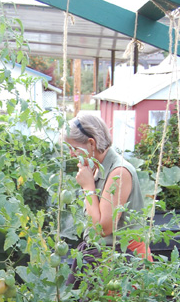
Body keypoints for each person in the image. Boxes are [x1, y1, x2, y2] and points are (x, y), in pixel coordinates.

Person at [65, 113, 152, 286]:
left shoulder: (119, 172)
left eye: (73, 148)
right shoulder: (98, 169)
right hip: (104, 257)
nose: (71, 154)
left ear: (91, 143)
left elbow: (103, 228)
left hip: (123, 262)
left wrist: (88, 187)